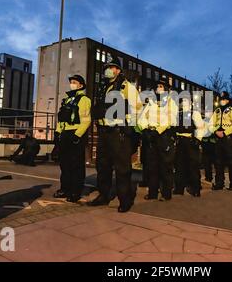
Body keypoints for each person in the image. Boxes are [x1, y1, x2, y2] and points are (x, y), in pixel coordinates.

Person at [87, 57, 142, 213]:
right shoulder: (104, 87)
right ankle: (103, 195)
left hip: (119, 132)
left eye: (111, 67)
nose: (108, 70)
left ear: (118, 70)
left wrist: (129, 129)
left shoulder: (127, 87)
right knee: (102, 166)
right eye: (107, 67)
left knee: (122, 168)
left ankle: (125, 200)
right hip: (104, 132)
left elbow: (137, 109)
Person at [138, 78, 178, 201]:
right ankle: (152, 193)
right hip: (151, 136)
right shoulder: (152, 102)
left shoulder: (171, 102)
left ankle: (166, 193)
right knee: (152, 166)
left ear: (166, 89)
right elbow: (142, 117)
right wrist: (145, 129)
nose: (158, 88)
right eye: (157, 86)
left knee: (165, 167)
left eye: (161, 86)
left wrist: (158, 130)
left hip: (163, 136)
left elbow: (171, 119)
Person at [53, 74, 92, 203]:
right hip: (65, 134)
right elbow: (62, 120)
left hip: (75, 134)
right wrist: (58, 133)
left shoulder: (84, 100)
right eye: (71, 82)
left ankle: (75, 191)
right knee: (64, 165)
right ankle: (65, 189)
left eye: (75, 82)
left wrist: (77, 135)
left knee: (76, 165)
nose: (72, 84)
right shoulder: (67, 100)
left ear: (81, 85)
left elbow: (86, 120)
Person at [173, 97, 206, 197]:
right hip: (180, 141)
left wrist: (198, 139)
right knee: (179, 166)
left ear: (191, 103)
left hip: (190, 142)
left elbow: (201, 127)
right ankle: (179, 188)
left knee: (193, 167)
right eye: (183, 101)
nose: (184, 103)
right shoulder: (178, 114)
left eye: (186, 101)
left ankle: (195, 189)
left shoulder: (194, 113)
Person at [208, 92, 232, 190]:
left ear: (227, 100)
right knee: (218, 162)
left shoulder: (231, 111)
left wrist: (225, 133)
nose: (222, 101)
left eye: (224, 99)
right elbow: (210, 124)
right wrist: (215, 131)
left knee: (231, 162)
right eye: (221, 99)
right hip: (218, 139)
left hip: (228, 139)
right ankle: (219, 183)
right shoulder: (216, 111)